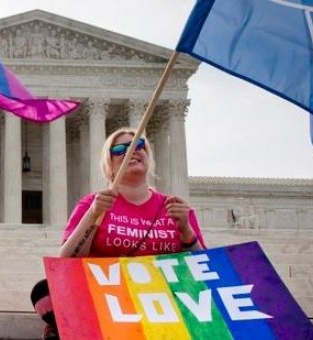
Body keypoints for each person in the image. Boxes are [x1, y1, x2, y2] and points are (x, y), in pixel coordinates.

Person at [30, 127, 206, 340]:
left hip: (158, 297)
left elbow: (206, 271)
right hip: (108, 297)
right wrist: (93, 215)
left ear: (148, 157)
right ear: (109, 165)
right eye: (121, 149)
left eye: (139, 146)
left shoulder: (176, 208)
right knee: (45, 292)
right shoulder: (91, 204)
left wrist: (186, 231)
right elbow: (66, 262)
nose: (133, 151)